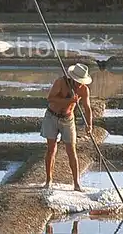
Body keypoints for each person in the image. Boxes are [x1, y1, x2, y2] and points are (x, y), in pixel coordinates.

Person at [40, 63, 93, 192]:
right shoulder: (61, 82)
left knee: (71, 150)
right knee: (51, 149)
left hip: (68, 119)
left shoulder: (84, 90)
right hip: (52, 117)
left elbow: (87, 108)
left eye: (81, 82)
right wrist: (69, 101)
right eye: (77, 82)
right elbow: (51, 98)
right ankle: (48, 180)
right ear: (73, 79)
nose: (79, 84)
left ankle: (76, 183)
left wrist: (89, 124)